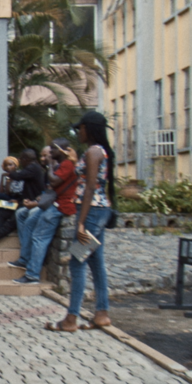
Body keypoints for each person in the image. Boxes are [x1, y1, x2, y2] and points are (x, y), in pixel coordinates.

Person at [46, 112, 116, 332]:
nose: (78, 132)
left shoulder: (94, 152)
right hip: (98, 210)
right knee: (96, 262)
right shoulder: (97, 151)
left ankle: (71, 318)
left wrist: (81, 223)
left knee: (77, 262)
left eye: (81, 128)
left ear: (90, 128)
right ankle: (101, 314)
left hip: (92, 212)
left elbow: (90, 189)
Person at [12, 138, 78, 285]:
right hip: (55, 203)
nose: (50, 153)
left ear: (61, 151)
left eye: (53, 150)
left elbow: (54, 182)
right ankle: (25, 260)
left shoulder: (67, 164)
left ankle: (32, 275)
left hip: (61, 206)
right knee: (29, 223)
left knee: (39, 237)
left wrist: (49, 166)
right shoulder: (63, 164)